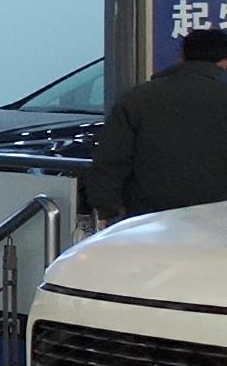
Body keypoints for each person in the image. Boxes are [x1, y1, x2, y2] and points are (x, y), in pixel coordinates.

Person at [92, 28, 227, 222]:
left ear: (181, 57)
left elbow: (110, 162)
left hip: (149, 220)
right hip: (217, 221)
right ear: (224, 61)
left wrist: (109, 211)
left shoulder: (136, 99)